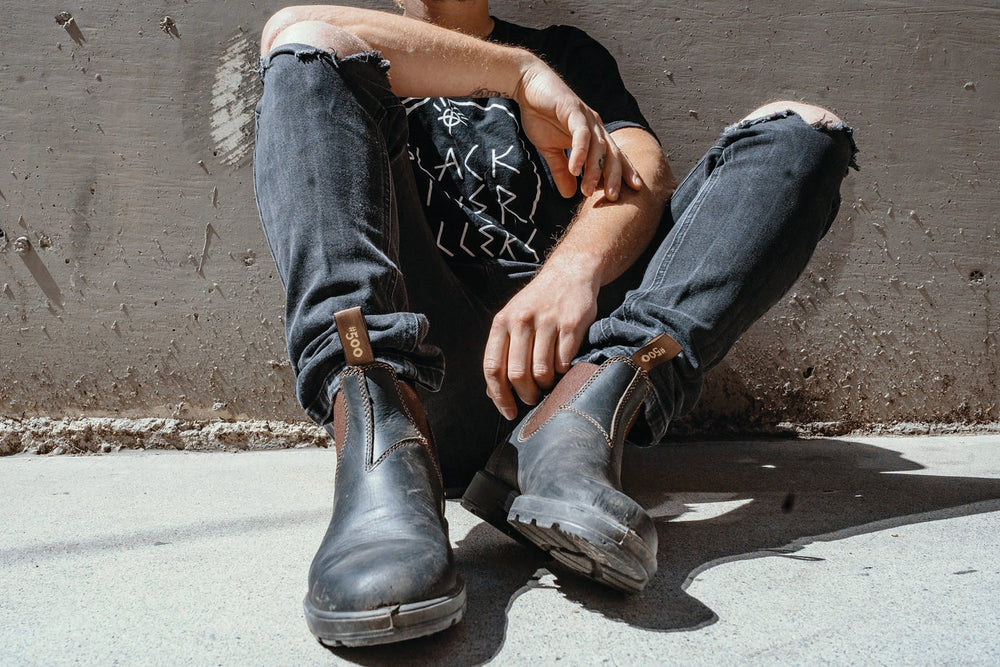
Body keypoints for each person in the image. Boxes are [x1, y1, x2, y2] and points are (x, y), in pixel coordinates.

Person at [253, 0, 858, 648]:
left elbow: (644, 173)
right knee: (307, 53)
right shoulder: (371, 57)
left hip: (584, 365)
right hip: (431, 374)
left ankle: (573, 422)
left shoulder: (568, 52)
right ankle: (382, 448)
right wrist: (518, 76)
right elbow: (291, 31)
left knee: (800, 132)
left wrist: (571, 273)